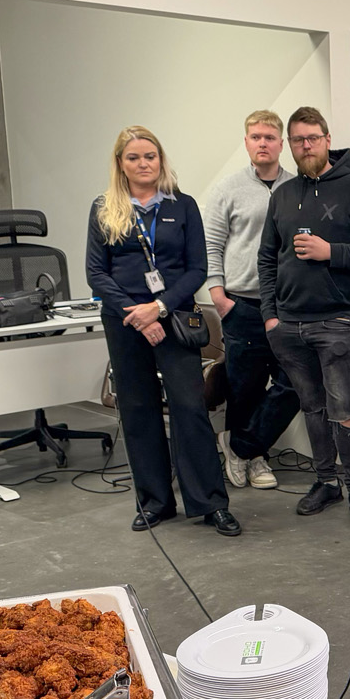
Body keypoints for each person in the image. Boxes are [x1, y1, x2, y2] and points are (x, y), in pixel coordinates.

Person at [86, 125, 239, 538]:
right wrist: (137, 315)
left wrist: (158, 308)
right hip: (125, 322)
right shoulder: (104, 208)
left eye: (150, 156)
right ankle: (155, 502)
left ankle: (211, 502)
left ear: (160, 160)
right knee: (138, 409)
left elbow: (197, 268)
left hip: (174, 317)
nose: (143, 164)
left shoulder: (182, 205)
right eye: (133, 157)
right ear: (120, 164)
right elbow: (96, 273)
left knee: (190, 408)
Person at [257, 106, 350, 526]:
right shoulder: (282, 194)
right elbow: (267, 258)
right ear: (290, 145)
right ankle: (326, 482)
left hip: (336, 323)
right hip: (288, 326)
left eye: (313, 138)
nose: (306, 146)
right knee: (312, 409)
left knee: (344, 410)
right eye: (298, 140)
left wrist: (330, 251)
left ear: (327, 139)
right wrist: (270, 316)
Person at [203, 110, 299, 492]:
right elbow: (211, 245)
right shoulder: (228, 189)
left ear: (281, 144)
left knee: (295, 382)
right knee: (244, 389)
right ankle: (254, 459)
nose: (263, 143)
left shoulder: (297, 188)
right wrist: (218, 297)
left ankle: (241, 446)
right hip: (242, 304)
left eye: (270, 137)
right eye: (256, 137)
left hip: (288, 304)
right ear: (246, 142)